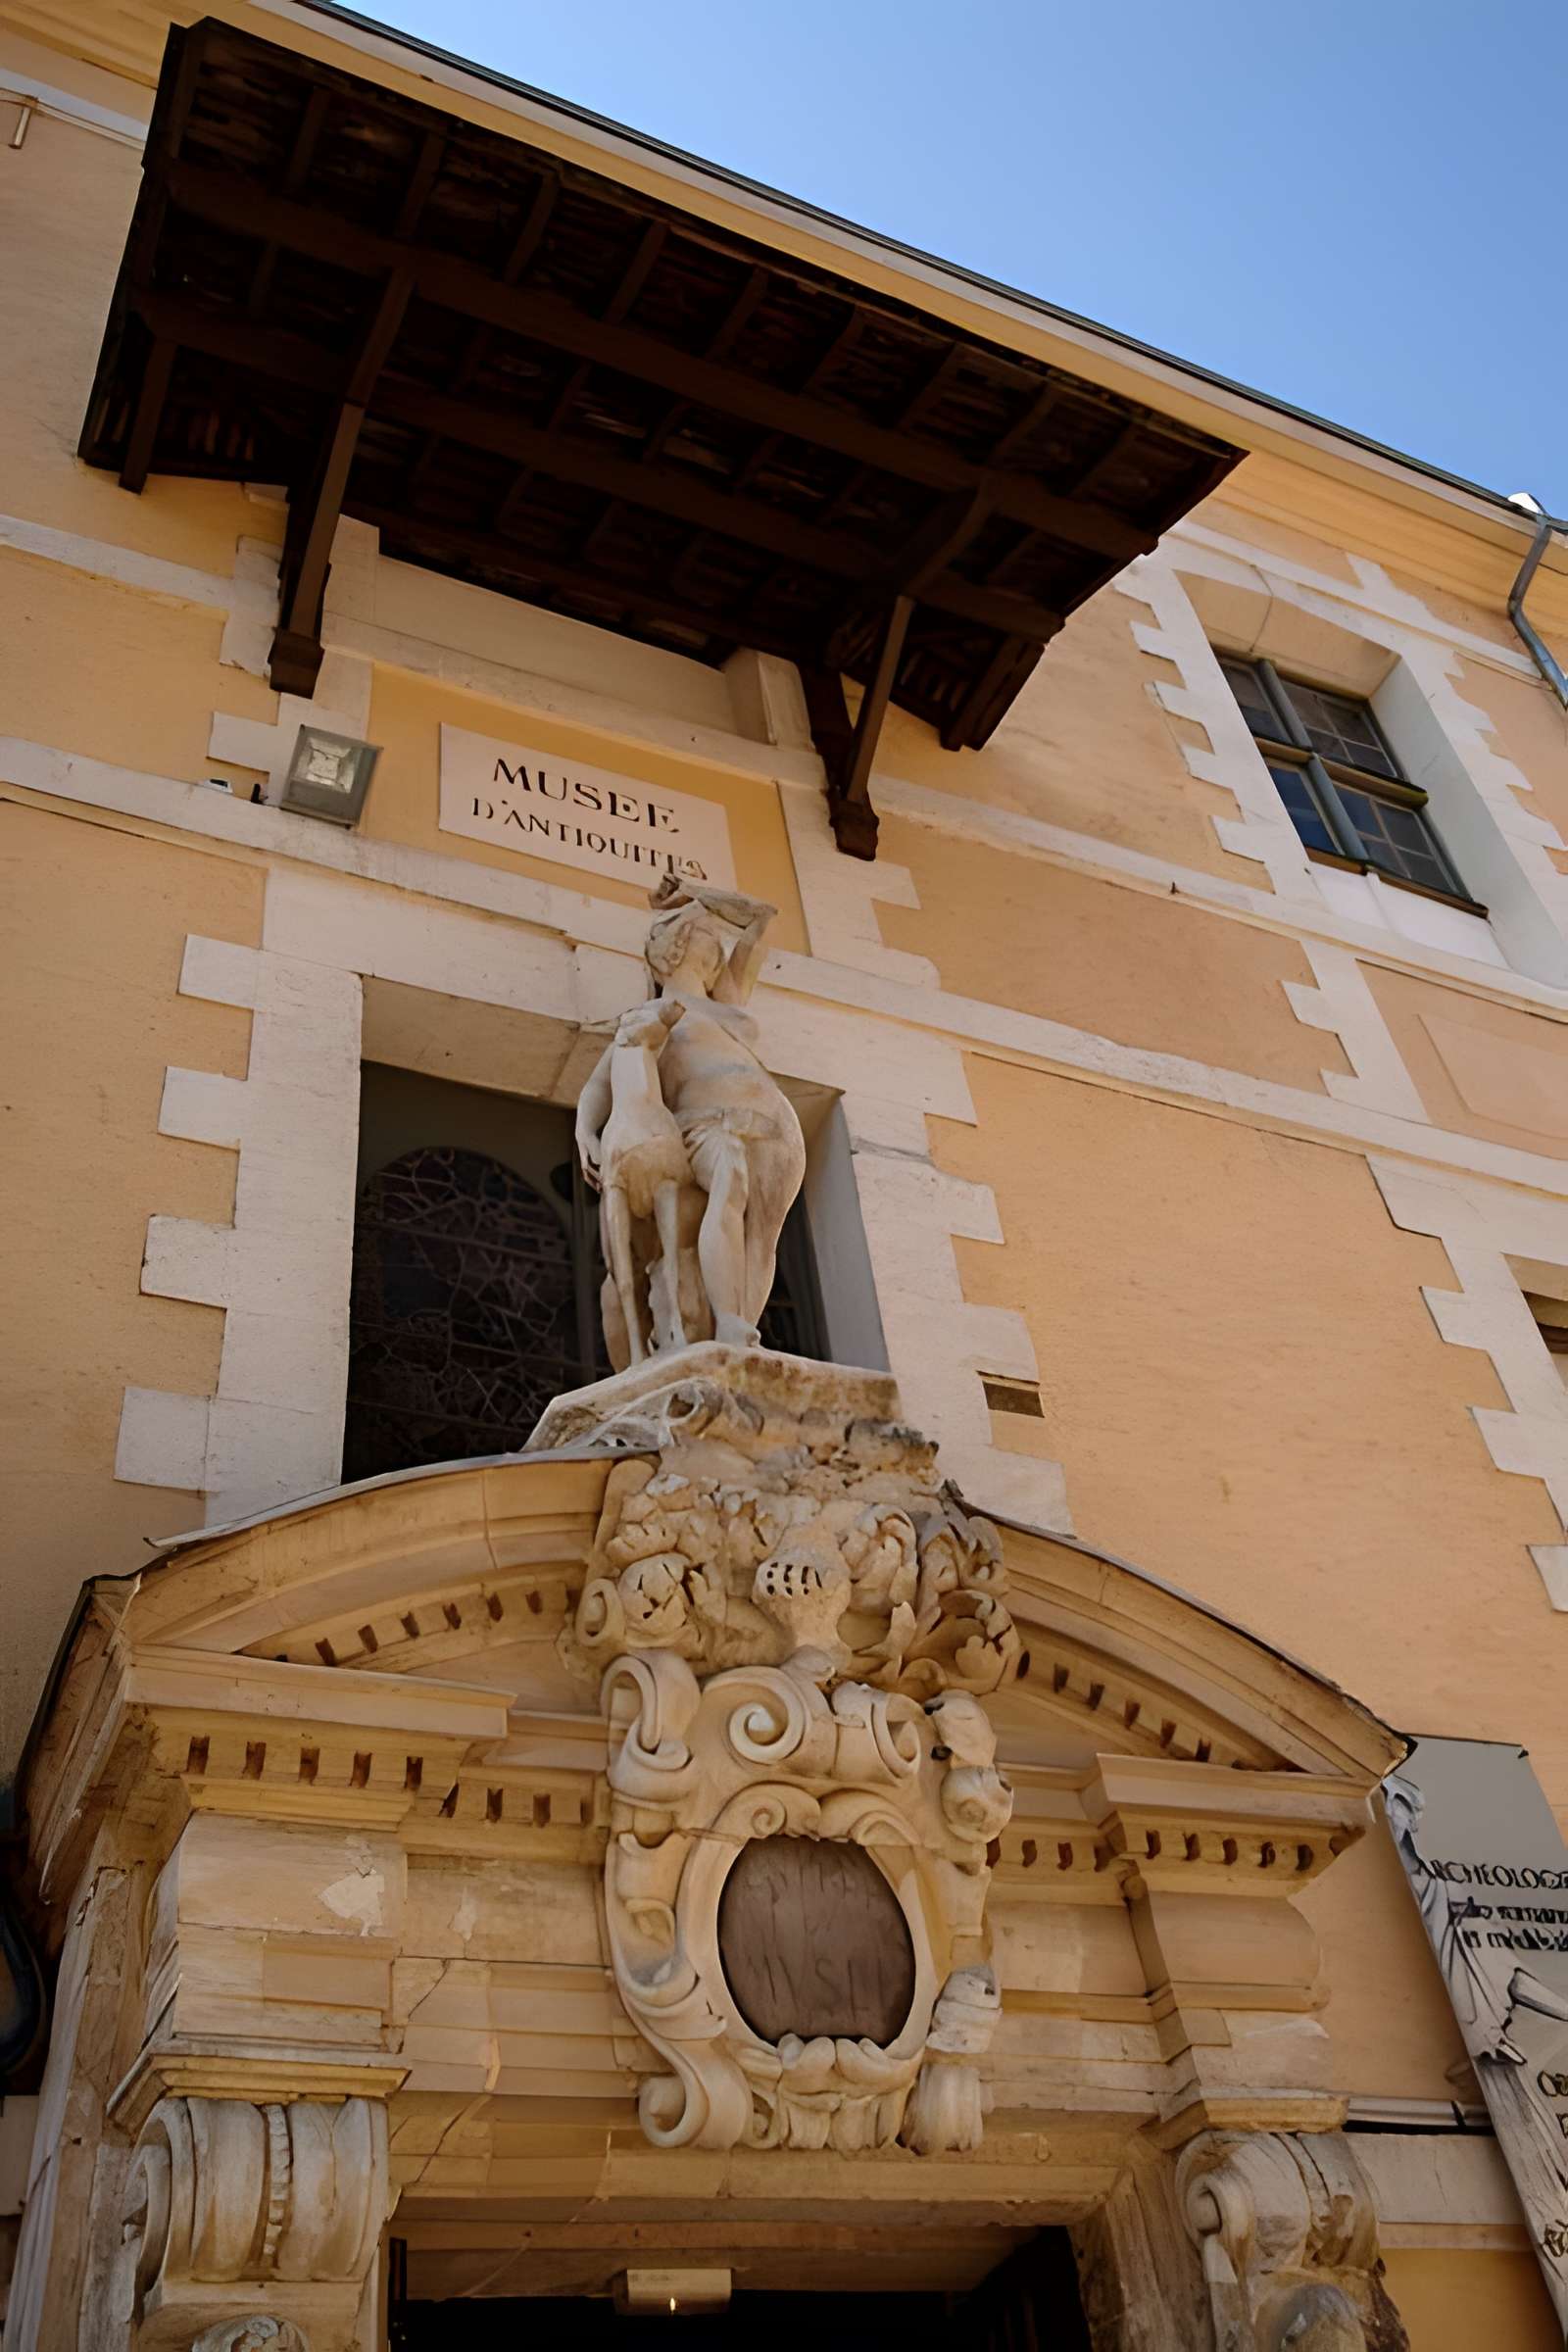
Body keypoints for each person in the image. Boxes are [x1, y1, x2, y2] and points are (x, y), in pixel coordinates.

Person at [575, 876, 807, 1356]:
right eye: (704, 939)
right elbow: (601, 1082)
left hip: (774, 1130)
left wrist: (698, 895)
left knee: (761, 1242)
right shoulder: (653, 1014)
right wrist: (585, 1131)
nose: (715, 949)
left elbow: (760, 916)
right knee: (728, 1185)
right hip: (705, 1125)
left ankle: (740, 1332)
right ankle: (727, 1326)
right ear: (673, 949)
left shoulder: (725, 1005)